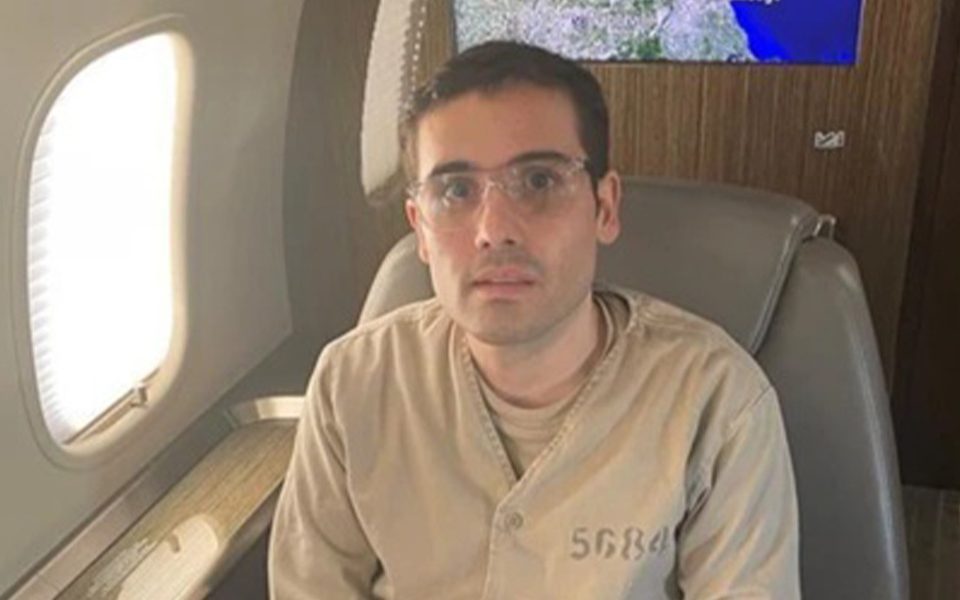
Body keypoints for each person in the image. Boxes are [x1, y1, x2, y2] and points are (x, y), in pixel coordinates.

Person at [269, 41, 800, 599]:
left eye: (540, 181)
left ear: (604, 207)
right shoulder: (350, 385)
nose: (494, 230)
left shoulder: (717, 401)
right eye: (456, 190)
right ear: (420, 228)